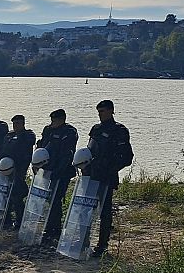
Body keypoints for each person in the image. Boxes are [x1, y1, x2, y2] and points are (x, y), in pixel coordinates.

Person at [83, 100, 134, 257]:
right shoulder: (96, 129)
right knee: (86, 209)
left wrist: (110, 169)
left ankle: (102, 245)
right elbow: (89, 150)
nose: (100, 114)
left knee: (104, 212)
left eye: (103, 111)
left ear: (112, 111)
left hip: (106, 177)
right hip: (91, 176)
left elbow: (127, 157)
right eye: (98, 112)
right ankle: (83, 241)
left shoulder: (119, 130)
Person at [37, 109, 78, 245]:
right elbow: (42, 146)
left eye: (55, 120)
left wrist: (59, 171)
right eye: (51, 120)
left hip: (62, 172)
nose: (52, 122)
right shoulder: (48, 130)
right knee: (48, 198)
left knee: (56, 199)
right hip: (47, 170)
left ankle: (55, 229)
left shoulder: (69, 132)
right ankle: (50, 227)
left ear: (62, 119)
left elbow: (67, 154)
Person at [0, 114, 36, 229]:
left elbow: (25, 146)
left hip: (19, 169)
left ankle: (20, 221)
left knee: (17, 197)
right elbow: (4, 149)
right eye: (14, 124)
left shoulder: (28, 135)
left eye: (18, 123)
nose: (16, 126)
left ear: (23, 124)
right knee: (6, 195)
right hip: (7, 169)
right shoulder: (9, 136)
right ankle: (7, 220)